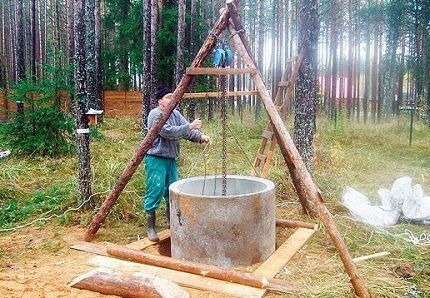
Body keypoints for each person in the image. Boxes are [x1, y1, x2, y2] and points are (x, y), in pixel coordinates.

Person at [144, 86, 210, 241]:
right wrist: (190, 126)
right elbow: (167, 132)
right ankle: (151, 228)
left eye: (172, 96)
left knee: (172, 191)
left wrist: (201, 137)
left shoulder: (175, 114)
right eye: (167, 97)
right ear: (160, 101)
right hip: (156, 159)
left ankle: (171, 222)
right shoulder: (156, 114)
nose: (170, 99)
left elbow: (187, 132)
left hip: (171, 159)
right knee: (155, 190)